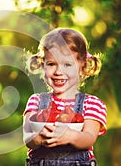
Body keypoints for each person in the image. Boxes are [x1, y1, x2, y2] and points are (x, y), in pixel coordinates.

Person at [23, 28, 107, 166]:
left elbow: (89, 138)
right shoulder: (36, 101)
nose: (58, 71)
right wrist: (38, 138)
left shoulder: (92, 104)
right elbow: (27, 138)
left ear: (82, 66)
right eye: (51, 64)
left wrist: (70, 136)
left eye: (67, 64)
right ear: (43, 65)